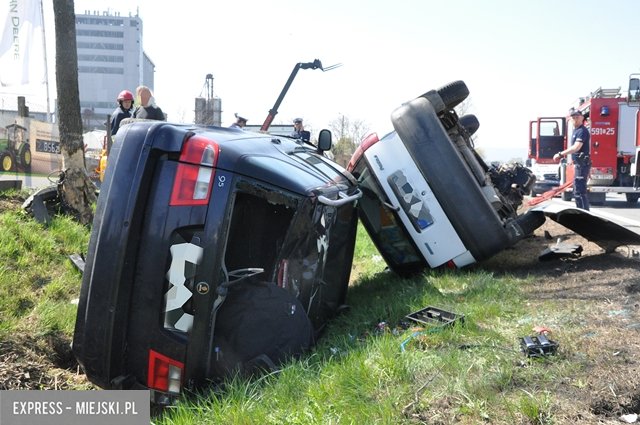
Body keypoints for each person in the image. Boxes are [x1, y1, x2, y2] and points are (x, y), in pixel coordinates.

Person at [553, 109, 591, 210]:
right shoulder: (576, 131)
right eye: (573, 118)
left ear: (582, 118)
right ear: (570, 119)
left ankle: (585, 216)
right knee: (577, 190)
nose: (575, 120)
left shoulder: (582, 131)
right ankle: (581, 213)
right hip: (579, 163)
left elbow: (576, 147)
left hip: (582, 164)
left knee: (579, 191)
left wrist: (560, 154)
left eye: (577, 117)